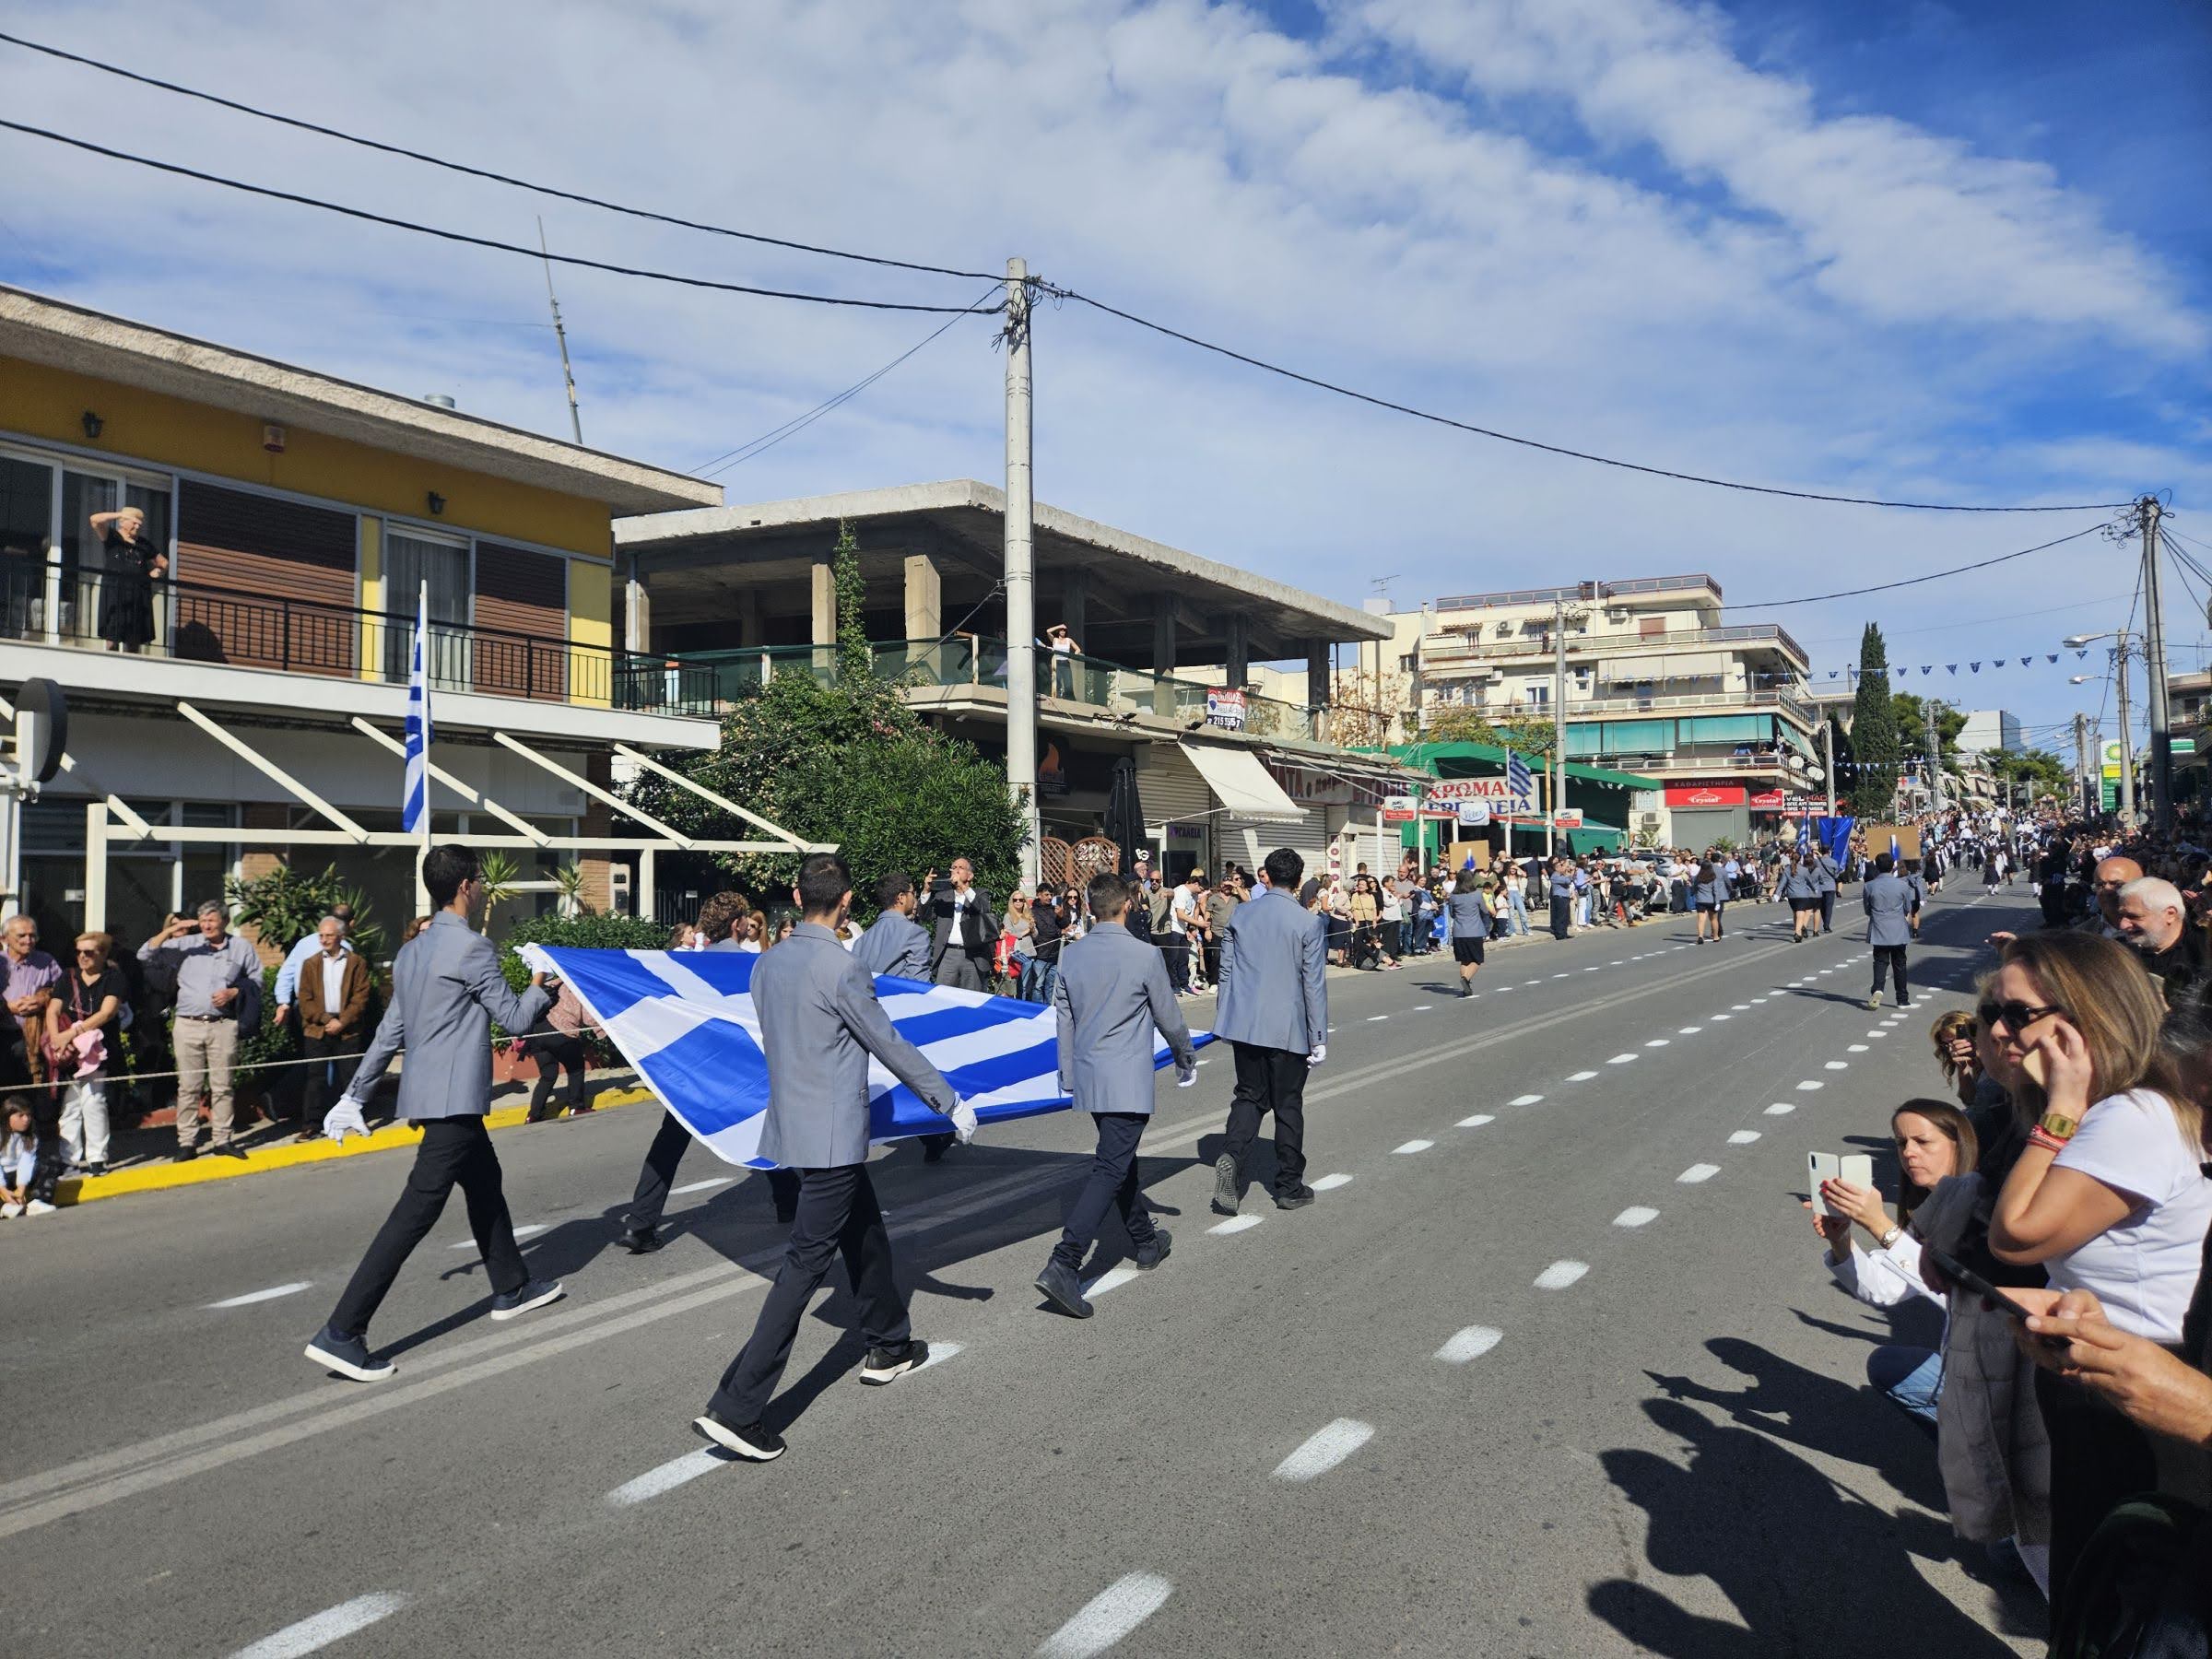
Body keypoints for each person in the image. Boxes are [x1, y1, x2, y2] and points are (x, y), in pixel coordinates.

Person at [692, 853, 975, 1463]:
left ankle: (889, 1344)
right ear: (846, 903)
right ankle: (738, 1406)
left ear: (797, 897)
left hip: (792, 1130)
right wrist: (946, 1099)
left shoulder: (767, 965)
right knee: (804, 1264)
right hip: (830, 1136)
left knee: (865, 1233)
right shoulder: (841, 968)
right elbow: (888, 1043)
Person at [1983, 932, 2212, 1614]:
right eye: (1993, 1012)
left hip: (2141, 1380)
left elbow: (2015, 1236)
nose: (1999, 1029)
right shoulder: (2121, 1108)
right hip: (2103, 1357)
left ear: (2084, 1015)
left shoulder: (2130, 1115)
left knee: (2114, 1598)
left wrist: (2059, 1110)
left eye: (2018, 1013)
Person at [302, 844, 564, 1384]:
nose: (484, 889)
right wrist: (540, 986)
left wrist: (354, 1095)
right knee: (414, 1214)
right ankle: (342, 1331)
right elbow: (514, 1019)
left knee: (486, 1183)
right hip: (453, 1101)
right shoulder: (472, 948)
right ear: (468, 884)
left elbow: (390, 1032)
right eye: (481, 882)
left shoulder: (412, 952)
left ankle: (512, 1285)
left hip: (433, 1098)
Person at [1033, 872, 1197, 1318]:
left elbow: (1062, 1018)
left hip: (1089, 1074)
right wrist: (1186, 1056)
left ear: (1090, 907)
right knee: (1110, 1166)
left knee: (1118, 1160)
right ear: (1127, 905)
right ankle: (1065, 1261)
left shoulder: (1072, 954)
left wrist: (1067, 1072)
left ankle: (1145, 1240)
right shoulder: (1144, 954)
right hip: (1126, 1077)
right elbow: (1169, 1016)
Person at [621, 894, 801, 1250]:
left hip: (693, 1071)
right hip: (739, 1068)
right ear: (737, 925)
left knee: (670, 1141)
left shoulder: (689, 965)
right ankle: (789, 1202)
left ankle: (641, 1221)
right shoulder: (753, 966)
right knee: (767, 1126)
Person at [1810, 1100, 1979, 1427]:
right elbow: (1885, 1291)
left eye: (1923, 1142)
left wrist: (1879, 1225)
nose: (1909, 1153)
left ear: (1960, 1144)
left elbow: (1957, 1290)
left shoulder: (1983, 1202)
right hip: (1968, 1366)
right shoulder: (1928, 1209)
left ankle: (1984, 1461)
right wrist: (1841, 1239)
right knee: (1888, 1365)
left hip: (2007, 1374)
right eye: (1901, 1143)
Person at [1210, 847, 1327, 1217]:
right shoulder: (1307, 922)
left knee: (1248, 1097)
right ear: (1297, 879)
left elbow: (1225, 971)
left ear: (1268, 875)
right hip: (1288, 1027)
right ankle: (1289, 1185)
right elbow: (1313, 985)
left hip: (1245, 1022)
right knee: (1287, 1104)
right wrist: (1318, 1035)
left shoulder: (1242, 913)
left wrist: (1225, 1016)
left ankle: (1231, 1155)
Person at [139, 902, 259, 1161]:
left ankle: (222, 1140)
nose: (206, 925)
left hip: (222, 1025)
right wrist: (175, 928)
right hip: (187, 1024)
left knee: (223, 1085)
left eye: (211, 921)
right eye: (202, 920)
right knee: (188, 1087)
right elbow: (145, 954)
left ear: (225, 921)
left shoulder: (241, 947)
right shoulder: (187, 944)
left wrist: (234, 992)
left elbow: (256, 980)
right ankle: (187, 1142)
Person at [48, 933, 124, 1174]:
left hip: (97, 1049)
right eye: (79, 951)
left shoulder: (114, 978)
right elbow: (52, 1010)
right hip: (69, 1052)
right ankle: (68, 1158)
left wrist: (70, 1034)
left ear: (102, 953)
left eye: (89, 952)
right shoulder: (67, 977)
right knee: (69, 1105)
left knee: (94, 1101)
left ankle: (97, 1158)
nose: (82, 956)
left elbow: (106, 1013)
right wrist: (56, 1039)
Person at [294, 916, 371, 1142]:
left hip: (347, 1027)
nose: (324, 940)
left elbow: (361, 996)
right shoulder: (311, 964)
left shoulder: (356, 962)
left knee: (350, 1076)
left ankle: (353, 1119)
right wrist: (326, 1019)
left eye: (329, 935)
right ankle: (312, 1125)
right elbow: (305, 998)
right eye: (321, 935)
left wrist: (342, 1021)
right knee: (315, 1078)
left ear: (341, 936)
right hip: (318, 1028)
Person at [2114, 877, 2210, 1007]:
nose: (2123, 924)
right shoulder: (2118, 951)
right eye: (2122, 916)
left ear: (2170, 914)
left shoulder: (2205, 949)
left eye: (2134, 916)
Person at [88, 503, 166, 652]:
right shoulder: (112, 537)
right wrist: (120, 515)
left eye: (139, 524)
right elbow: (95, 520)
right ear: (123, 522)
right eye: (134, 522)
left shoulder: (144, 544)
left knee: (134, 636)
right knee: (113, 633)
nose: (137, 526)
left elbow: (163, 562)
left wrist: (157, 571)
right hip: (115, 592)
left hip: (138, 593)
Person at [520, 971, 594, 1123]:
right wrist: (604, 1029)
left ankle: (533, 1115)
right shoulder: (574, 988)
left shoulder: (547, 985)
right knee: (576, 1068)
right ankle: (576, 1106)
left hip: (537, 1035)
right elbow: (588, 1017)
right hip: (561, 1032)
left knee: (548, 1075)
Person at [924, 857, 998, 991]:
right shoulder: (942, 896)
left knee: (971, 999)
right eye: (954, 867)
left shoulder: (981, 893)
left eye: (961, 868)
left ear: (970, 876)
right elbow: (925, 916)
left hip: (972, 955)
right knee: (942, 997)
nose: (956, 870)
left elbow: (983, 910)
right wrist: (926, 890)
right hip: (947, 954)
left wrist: (963, 887)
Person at [1864, 853, 1915, 1010]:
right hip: (1898, 929)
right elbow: (1908, 908)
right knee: (1899, 964)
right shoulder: (1902, 885)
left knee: (1880, 961)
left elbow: (1867, 910)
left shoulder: (1869, 886)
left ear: (1877, 867)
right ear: (1893, 866)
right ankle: (1902, 999)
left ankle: (1878, 988)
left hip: (1879, 928)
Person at [0, 1097, 58, 1215]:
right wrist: (3, 1190)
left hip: (19, 1176)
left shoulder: (31, 1137)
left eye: (28, 1115)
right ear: (7, 1117)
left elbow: (26, 1163)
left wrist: (21, 1190)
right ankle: (6, 1207)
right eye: (20, 1116)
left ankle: (37, 1202)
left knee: (50, 1162)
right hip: (3, 1176)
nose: (26, 1120)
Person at [1782, 853, 1820, 943]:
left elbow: (1782, 883)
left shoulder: (1787, 869)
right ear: (1800, 859)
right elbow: (1809, 881)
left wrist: (1777, 893)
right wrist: (1814, 889)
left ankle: (1797, 930)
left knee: (1795, 913)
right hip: (1802, 895)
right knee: (1800, 914)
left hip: (1791, 896)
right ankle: (1798, 933)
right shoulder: (1804, 870)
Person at [1045, 621, 1081, 699]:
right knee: (1057, 683)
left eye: (1064, 630)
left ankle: (1069, 699)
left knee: (1068, 684)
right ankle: (1057, 699)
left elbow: (1078, 649)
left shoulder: (1069, 640)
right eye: (1061, 630)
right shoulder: (1055, 640)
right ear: (1058, 631)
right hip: (1056, 662)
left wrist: (1073, 656)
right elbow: (1048, 631)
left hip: (1065, 663)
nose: (1063, 631)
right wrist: (1059, 626)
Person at [1812, 841, 1841, 935]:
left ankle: (1825, 923)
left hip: (1820, 886)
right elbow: (1836, 875)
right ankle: (1826, 925)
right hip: (1830, 886)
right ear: (1829, 851)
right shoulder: (1834, 862)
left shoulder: (1817, 862)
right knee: (1829, 907)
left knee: (1822, 907)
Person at [1690, 858, 1722, 944]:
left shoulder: (1698, 877)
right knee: (1713, 919)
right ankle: (1715, 936)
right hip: (1711, 900)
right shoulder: (1713, 877)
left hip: (1700, 900)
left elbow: (1694, 887)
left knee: (1701, 919)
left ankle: (1700, 936)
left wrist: (1692, 893)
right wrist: (1718, 902)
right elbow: (1716, 891)